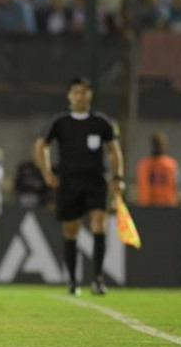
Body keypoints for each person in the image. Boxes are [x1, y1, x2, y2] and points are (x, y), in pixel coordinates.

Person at [34, 77, 124, 296]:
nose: (80, 96)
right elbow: (41, 145)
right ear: (69, 96)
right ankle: (73, 280)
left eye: (84, 92)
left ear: (90, 95)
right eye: (76, 92)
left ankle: (98, 279)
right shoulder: (60, 122)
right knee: (71, 229)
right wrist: (47, 172)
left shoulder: (101, 122)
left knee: (99, 224)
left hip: (95, 181)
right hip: (69, 182)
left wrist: (118, 177)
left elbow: (114, 150)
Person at [136, 131, 181, 207]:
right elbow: (177, 185)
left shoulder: (143, 164)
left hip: (148, 206)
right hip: (167, 205)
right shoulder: (171, 164)